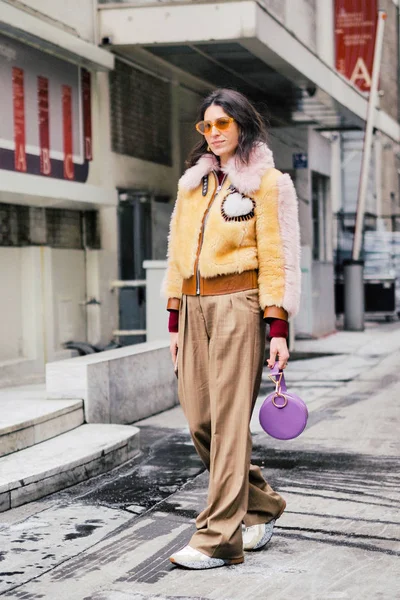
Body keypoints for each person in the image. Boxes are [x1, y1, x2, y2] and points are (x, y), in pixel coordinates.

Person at [162, 88, 301, 570]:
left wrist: (277, 326)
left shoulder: (268, 183)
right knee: (200, 421)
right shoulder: (191, 186)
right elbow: (175, 257)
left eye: (223, 124)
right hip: (194, 309)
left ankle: (218, 539)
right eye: (207, 126)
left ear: (242, 125)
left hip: (239, 305)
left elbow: (277, 259)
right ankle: (262, 503)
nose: (214, 133)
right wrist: (175, 319)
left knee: (228, 426)